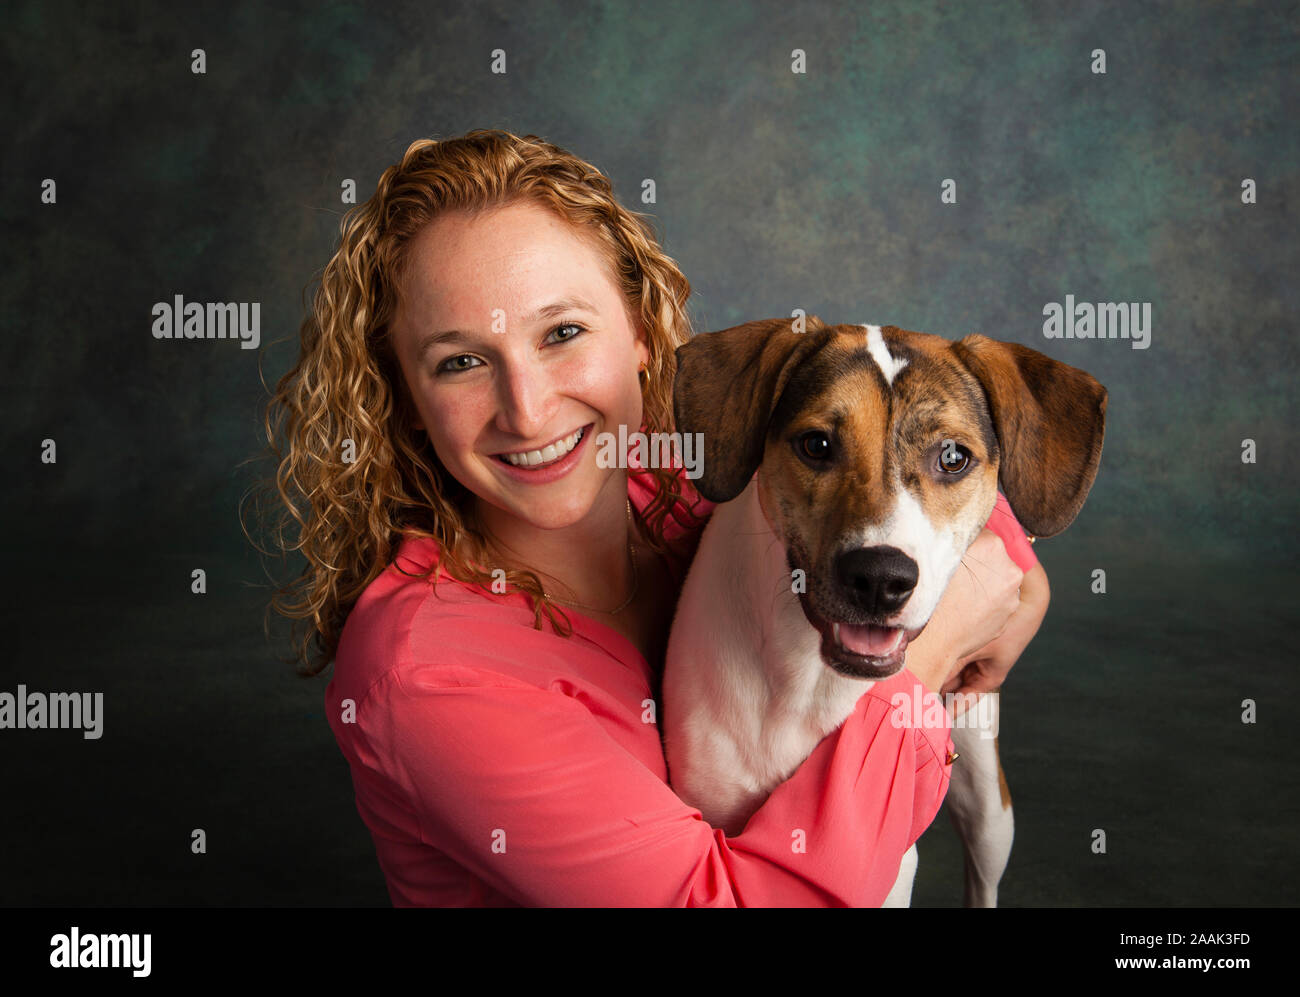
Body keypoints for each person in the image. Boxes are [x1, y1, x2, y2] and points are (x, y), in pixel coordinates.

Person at [251, 128, 1047, 907]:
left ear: (640, 329)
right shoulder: (431, 675)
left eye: (562, 333)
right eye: (460, 362)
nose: (527, 412)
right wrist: (928, 656)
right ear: (407, 400)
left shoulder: (681, 474)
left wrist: (1016, 577)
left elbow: (926, 476)